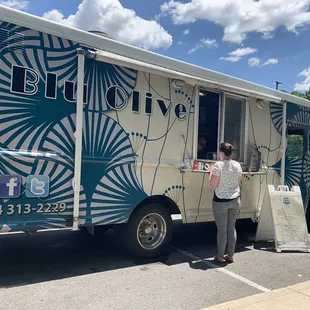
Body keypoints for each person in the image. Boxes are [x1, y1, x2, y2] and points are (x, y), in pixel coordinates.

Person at [208, 142, 242, 264]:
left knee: (222, 229)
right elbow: (239, 181)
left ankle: (220, 256)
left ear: (221, 153)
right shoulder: (237, 165)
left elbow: (213, 183)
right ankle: (231, 255)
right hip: (235, 200)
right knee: (231, 228)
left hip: (220, 201)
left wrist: (210, 172)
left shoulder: (218, 165)